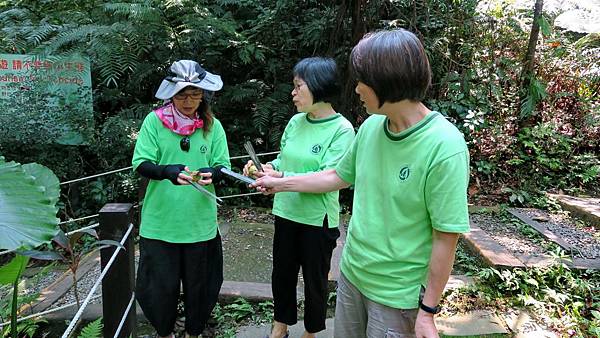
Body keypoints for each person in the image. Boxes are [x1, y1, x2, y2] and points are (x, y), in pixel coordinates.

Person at [252, 29, 470, 338]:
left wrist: (428, 311)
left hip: (396, 296)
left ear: (385, 81)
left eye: (361, 81)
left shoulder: (444, 146)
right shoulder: (371, 127)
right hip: (352, 277)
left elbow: (446, 235)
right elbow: (336, 176)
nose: (356, 89)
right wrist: (279, 182)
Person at [243, 57, 355, 338]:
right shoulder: (295, 122)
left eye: (298, 86)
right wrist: (268, 169)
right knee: (282, 275)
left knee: (315, 281)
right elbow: (284, 160)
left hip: (318, 220)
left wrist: (280, 182)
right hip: (286, 213)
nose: (293, 93)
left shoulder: (342, 130)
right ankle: (280, 326)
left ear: (318, 86)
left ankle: (311, 331)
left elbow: (328, 177)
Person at [132, 60, 231, 338]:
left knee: (201, 287)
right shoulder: (154, 122)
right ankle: (164, 332)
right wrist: (167, 171)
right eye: (182, 95)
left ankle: (193, 332)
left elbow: (222, 164)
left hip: (200, 224)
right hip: (161, 224)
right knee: (158, 288)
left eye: (196, 94)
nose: (189, 101)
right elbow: (141, 163)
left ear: (203, 94)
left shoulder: (212, 126)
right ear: (170, 95)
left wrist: (213, 173)